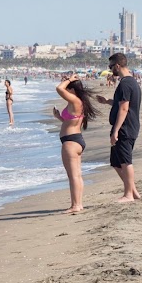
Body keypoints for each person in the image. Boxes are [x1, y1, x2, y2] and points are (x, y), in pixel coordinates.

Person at [96, 53, 141, 202]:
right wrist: (107, 101)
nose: (110, 70)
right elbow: (121, 102)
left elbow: (124, 108)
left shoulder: (125, 84)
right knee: (116, 162)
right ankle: (133, 191)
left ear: (117, 66)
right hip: (128, 126)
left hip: (125, 128)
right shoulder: (130, 82)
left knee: (125, 161)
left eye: (110, 67)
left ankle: (128, 194)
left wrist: (115, 130)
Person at [53, 73, 99, 213]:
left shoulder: (75, 101)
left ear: (72, 90)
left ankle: (76, 205)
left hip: (71, 142)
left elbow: (59, 89)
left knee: (73, 176)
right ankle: (77, 204)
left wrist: (68, 80)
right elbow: (71, 123)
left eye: (68, 88)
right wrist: (59, 117)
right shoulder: (79, 102)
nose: (65, 91)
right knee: (76, 175)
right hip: (75, 140)